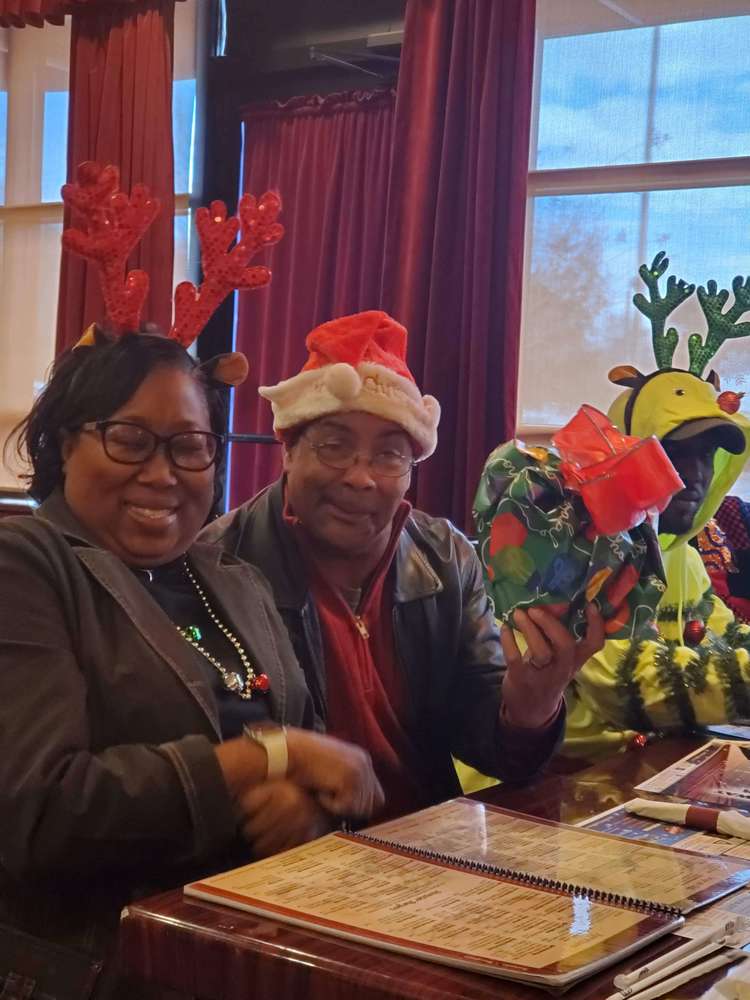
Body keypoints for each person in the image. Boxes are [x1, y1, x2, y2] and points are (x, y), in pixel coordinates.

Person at [0, 168, 382, 992]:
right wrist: (262, 759)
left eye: (190, 446)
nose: (163, 473)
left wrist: (310, 808)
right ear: (67, 445)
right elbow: (39, 814)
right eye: (130, 439)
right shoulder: (25, 567)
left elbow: (336, 766)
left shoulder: (231, 576)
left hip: (254, 948)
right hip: (101, 968)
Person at [202, 310, 606, 818]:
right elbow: (208, 746)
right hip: (290, 861)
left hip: (424, 852)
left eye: (389, 456)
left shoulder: (445, 559)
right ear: (288, 448)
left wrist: (529, 708)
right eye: (335, 446)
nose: (361, 478)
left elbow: (492, 751)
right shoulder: (219, 564)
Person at [563, 255, 750, 757]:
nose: (695, 475)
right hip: (537, 792)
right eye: (673, 452)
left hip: (637, 776)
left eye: (706, 455)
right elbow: (625, 686)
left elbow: (727, 637)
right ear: (624, 452)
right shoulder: (575, 550)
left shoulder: (681, 555)